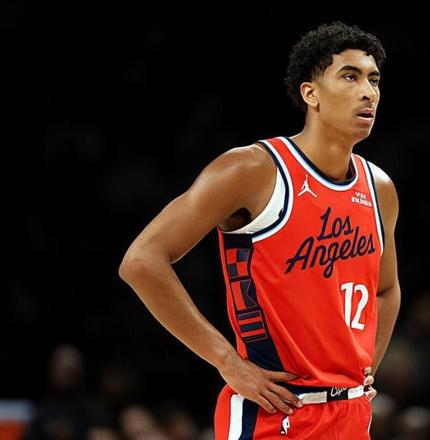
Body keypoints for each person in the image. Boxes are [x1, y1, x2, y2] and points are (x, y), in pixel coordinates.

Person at [119, 21, 400, 439]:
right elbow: (142, 261)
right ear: (311, 94)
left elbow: (386, 290)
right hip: (274, 413)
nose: (368, 92)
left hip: (351, 414)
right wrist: (226, 361)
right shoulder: (253, 169)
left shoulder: (379, 188)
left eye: (373, 79)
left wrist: (365, 367)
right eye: (350, 76)